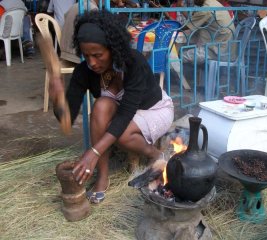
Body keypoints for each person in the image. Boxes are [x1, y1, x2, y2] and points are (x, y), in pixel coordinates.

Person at [50, 10, 174, 204]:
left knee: (122, 133)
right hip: (125, 112)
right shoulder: (84, 71)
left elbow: (124, 114)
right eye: (86, 55)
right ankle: (103, 176)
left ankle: (155, 154)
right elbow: (66, 120)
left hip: (153, 109)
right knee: (100, 106)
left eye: (98, 55)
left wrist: (94, 151)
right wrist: (56, 97)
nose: (91, 62)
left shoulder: (133, 63)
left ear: (112, 48)